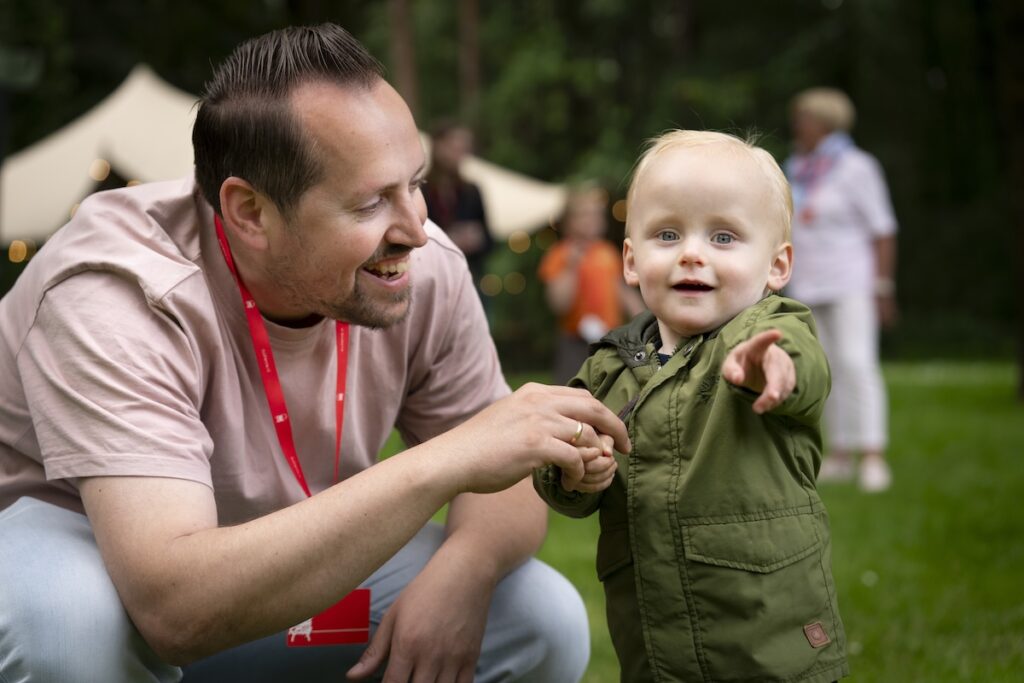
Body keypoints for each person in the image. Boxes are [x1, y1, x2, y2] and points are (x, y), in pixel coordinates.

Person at [0, 24, 632, 683]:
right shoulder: (118, 293)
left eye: (414, 183)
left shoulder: (419, 267)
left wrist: (462, 573)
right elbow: (174, 607)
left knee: (539, 616)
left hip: (283, 573)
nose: (417, 229)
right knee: (66, 627)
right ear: (249, 213)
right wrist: (451, 457)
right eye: (371, 201)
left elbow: (509, 480)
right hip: (109, 575)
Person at [534, 130, 848, 682]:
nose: (692, 253)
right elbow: (560, 469)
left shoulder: (770, 330)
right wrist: (574, 468)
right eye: (668, 233)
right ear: (631, 260)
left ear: (776, 266)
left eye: (724, 237)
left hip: (767, 640)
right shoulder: (608, 367)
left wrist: (775, 368)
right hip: (653, 638)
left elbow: (806, 368)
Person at [785, 87, 898, 493]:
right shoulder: (796, 168)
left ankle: (873, 455)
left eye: (805, 118)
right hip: (808, 284)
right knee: (824, 368)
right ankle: (839, 453)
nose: (798, 125)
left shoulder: (856, 167)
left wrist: (883, 287)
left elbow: (883, 230)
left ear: (826, 121)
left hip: (852, 281)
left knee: (856, 362)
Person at [538, 187, 644, 385]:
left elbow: (620, 289)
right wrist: (570, 267)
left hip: (608, 336)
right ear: (569, 221)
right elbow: (559, 304)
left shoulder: (607, 253)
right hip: (574, 342)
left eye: (597, 214)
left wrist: (643, 316)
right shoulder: (560, 254)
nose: (593, 220)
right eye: (585, 215)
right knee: (571, 390)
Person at [422, 119, 494, 297]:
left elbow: (489, 239)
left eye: (463, 148)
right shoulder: (421, 190)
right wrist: (449, 238)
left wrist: (478, 239)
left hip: (468, 277)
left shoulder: (472, 191)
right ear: (437, 146)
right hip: (430, 277)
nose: (459, 154)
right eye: (453, 147)